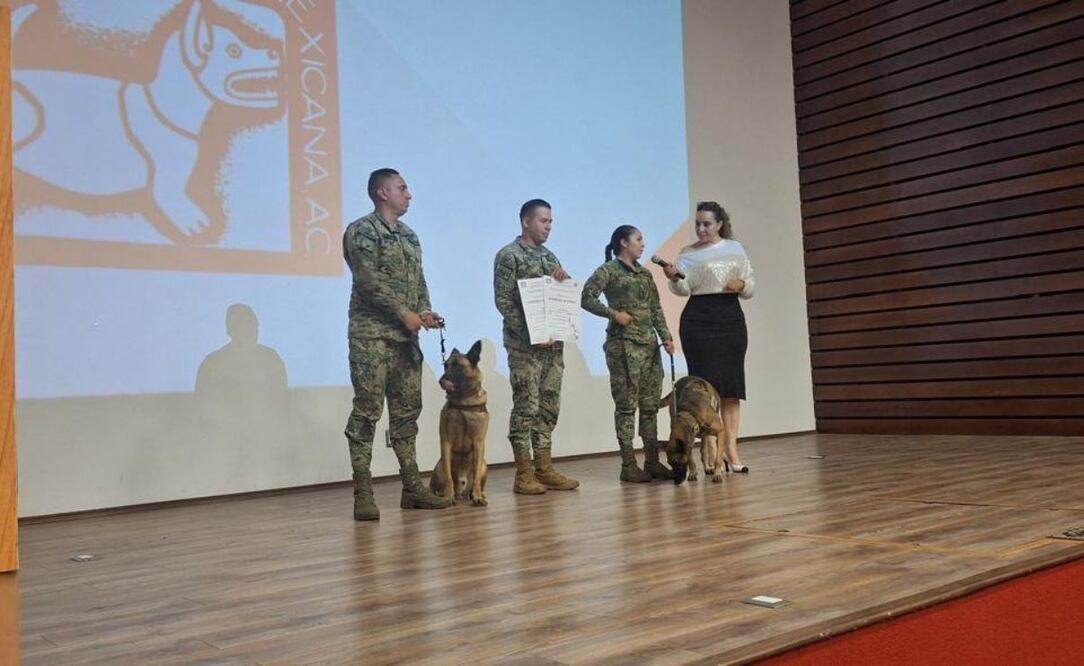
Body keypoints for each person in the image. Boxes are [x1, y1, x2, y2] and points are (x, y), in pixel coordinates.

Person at [342, 168, 454, 521]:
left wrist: (423, 312)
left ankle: (412, 488)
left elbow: (418, 281)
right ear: (382, 192)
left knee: (407, 414)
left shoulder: (409, 236)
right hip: (372, 337)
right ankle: (363, 492)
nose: (409, 194)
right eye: (402, 188)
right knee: (367, 411)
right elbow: (367, 280)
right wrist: (403, 313)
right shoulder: (361, 231)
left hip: (406, 340)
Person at [493, 199, 580, 494]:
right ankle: (524, 473)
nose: (548, 227)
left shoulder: (549, 256)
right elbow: (503, 301)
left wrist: (563, 282)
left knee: (548, 405)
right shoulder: (509, 255)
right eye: (544, 221)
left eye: (551, 222)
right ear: (526, 221)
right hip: (525, 347)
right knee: (526, 406)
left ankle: (544, 468)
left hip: (552, 347)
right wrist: (531, 332)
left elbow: (558, 296)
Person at [662, 201, 755, 473]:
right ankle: (711, 449)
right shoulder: (687, 253)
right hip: (697, 320)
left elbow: (750, 285)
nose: (701, 229)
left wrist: (742, 284)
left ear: (719, 224)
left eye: (707, 224)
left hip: (730, 318)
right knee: (703, 390)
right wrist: (674, 278)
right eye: (698, 224)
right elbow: (682, 289)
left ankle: (731, 449)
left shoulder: (735, 248)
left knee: (731, 388)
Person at [581, 225, 675, 482]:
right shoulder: (608, 270)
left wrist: (665, 336)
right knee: (626, 407)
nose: (643, 244)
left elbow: (655, 308)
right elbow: (586, 298)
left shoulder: (645, 273)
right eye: (638, 239)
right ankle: (628, 465)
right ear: (623, 243)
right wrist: (614, 314)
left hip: (649, 347)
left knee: (650, 407)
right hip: (623, 348)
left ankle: (653, 461)